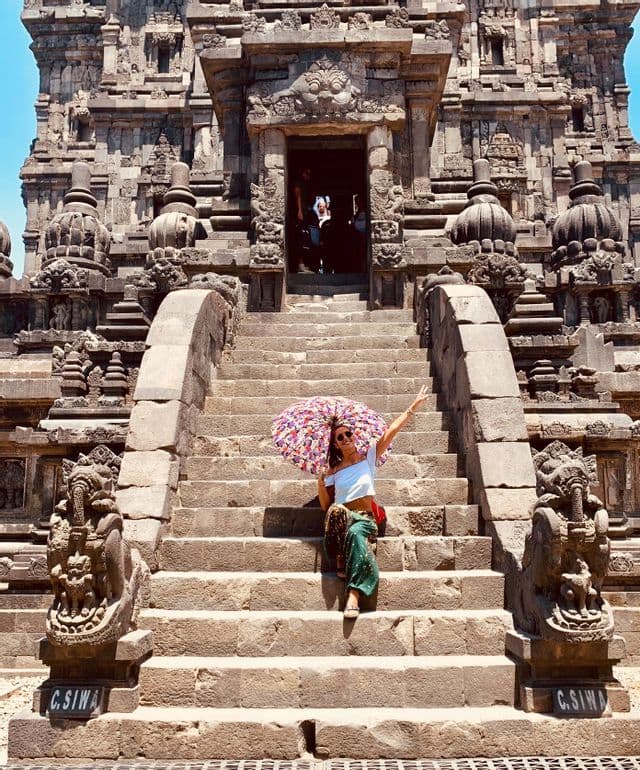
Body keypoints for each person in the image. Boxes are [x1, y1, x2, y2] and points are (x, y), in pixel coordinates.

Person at [317, 386, 430, 619]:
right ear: (336, 444)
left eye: (349, 434)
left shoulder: (368, 457)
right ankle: (340, 553)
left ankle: (354, 595)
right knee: (337, 510)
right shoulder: (333, 471)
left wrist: (412, 408)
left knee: (357, 534)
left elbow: (391, 432)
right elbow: (325, 507)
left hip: (365, 520)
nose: (346, 438)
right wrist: (321, 483)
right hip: (340, 519)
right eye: (340, 437)